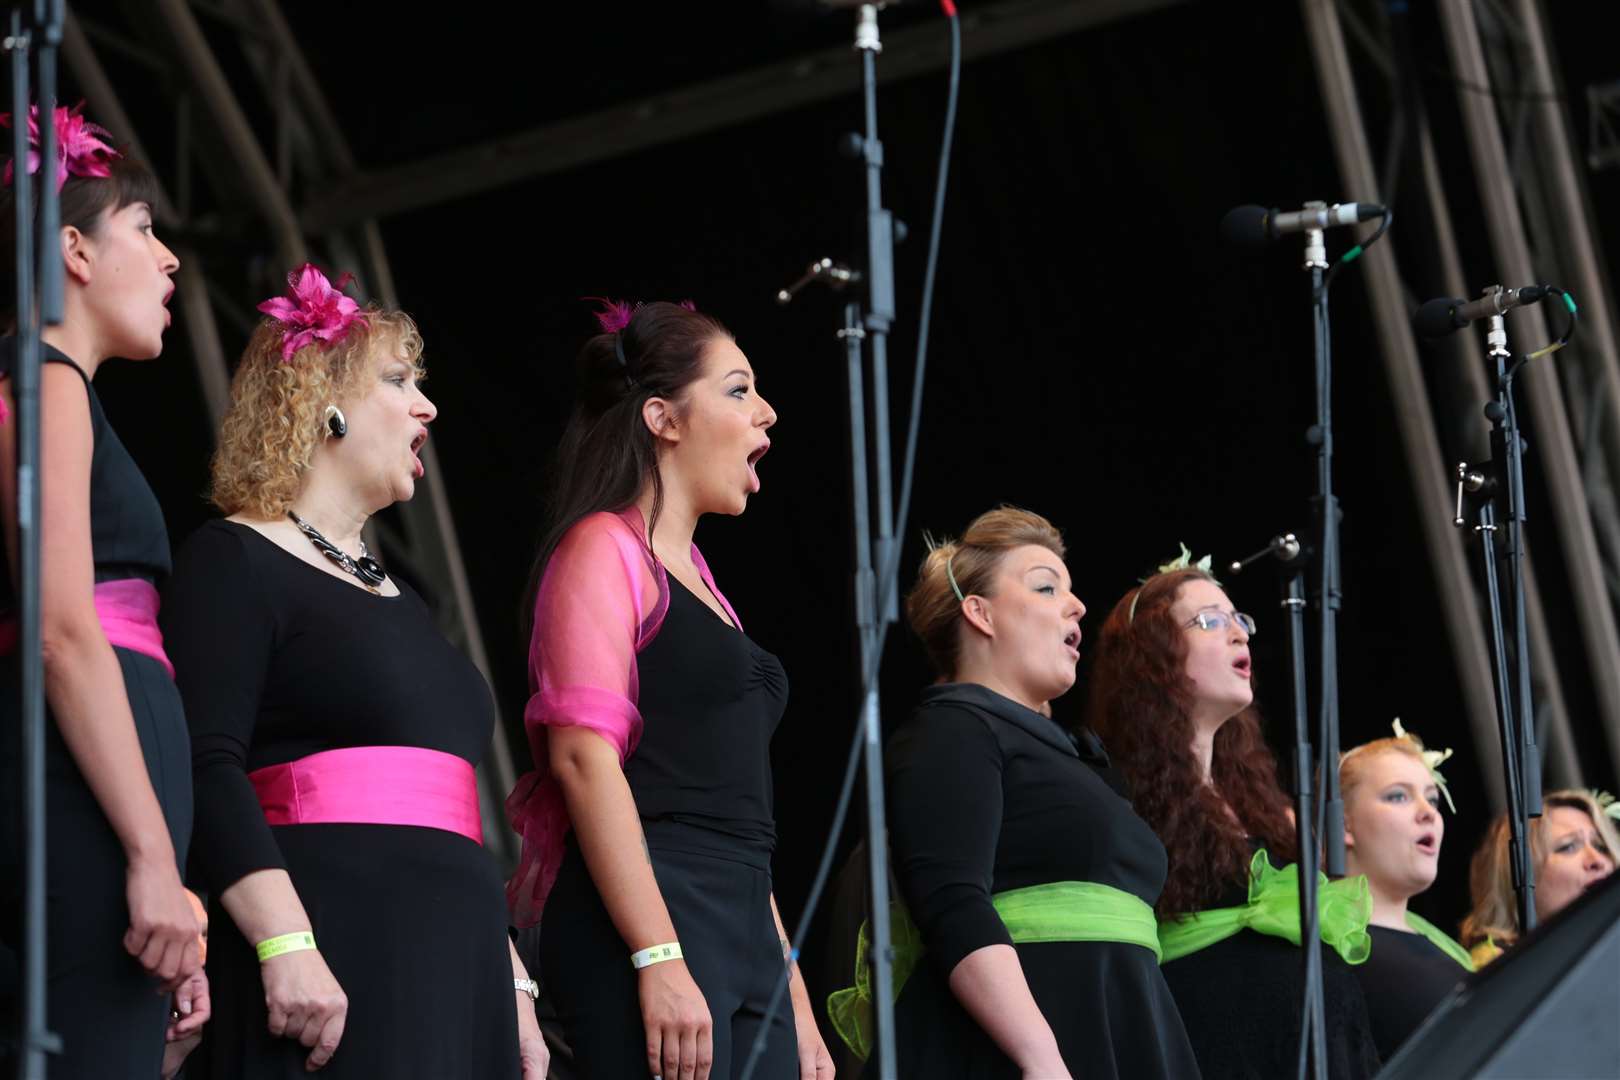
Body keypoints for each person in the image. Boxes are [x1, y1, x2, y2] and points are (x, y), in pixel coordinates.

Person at [161, 265, 545, 1077]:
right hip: (333, 946)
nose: (427, 405)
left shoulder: (406, 594)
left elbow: (453, 816)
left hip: (460, 962)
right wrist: (285, 940)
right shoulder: (233, 560)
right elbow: (205, 760)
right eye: (400, 381)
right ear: (322, 401)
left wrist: (511, 979)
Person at [507, 299, 832, 1079]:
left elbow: (739, 815)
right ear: (663, 418)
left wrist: (794, 995)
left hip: (742, 922)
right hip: (655, 909)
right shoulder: (602, 547)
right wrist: (657, 953)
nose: (767, 412)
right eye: (738, 389)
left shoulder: (704, 583)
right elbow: (584, 761)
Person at [827, 507, 1199, 1078]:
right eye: (1046, 587)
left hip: (1120, 1022)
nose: (1076, 605)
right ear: (980, 613)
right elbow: (952, 901)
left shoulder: (1076, 758)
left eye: (1071, 591)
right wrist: (1039, 1056)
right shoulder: (953, 728)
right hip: (1027, 1044)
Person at [0, 104, 205, 1077]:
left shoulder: (53, 387)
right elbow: (63, 633)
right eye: (144, 230)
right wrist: (154, 862)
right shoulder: (42, 381)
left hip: (102, 794)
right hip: (82, 796)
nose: (170, 262)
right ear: (73, 250)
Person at [1087, 549, 1380, 1079]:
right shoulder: (1119, 803)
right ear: (1151, 655)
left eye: (1239, 619)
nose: (1240, 634)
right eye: (1211, 621)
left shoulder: (1260, 801)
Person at [1337, 723, 1472, 1059]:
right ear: (1343, 824)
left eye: (1433, 798)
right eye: (1398, 795)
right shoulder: (1331, 954)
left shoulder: (1443, 948)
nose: (1428, 813)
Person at [1460, 788, 1617, 966]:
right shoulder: (1496, 964)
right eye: (1568, 847)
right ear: (1515, 877)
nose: (1598, 861)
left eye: (1601, 846)